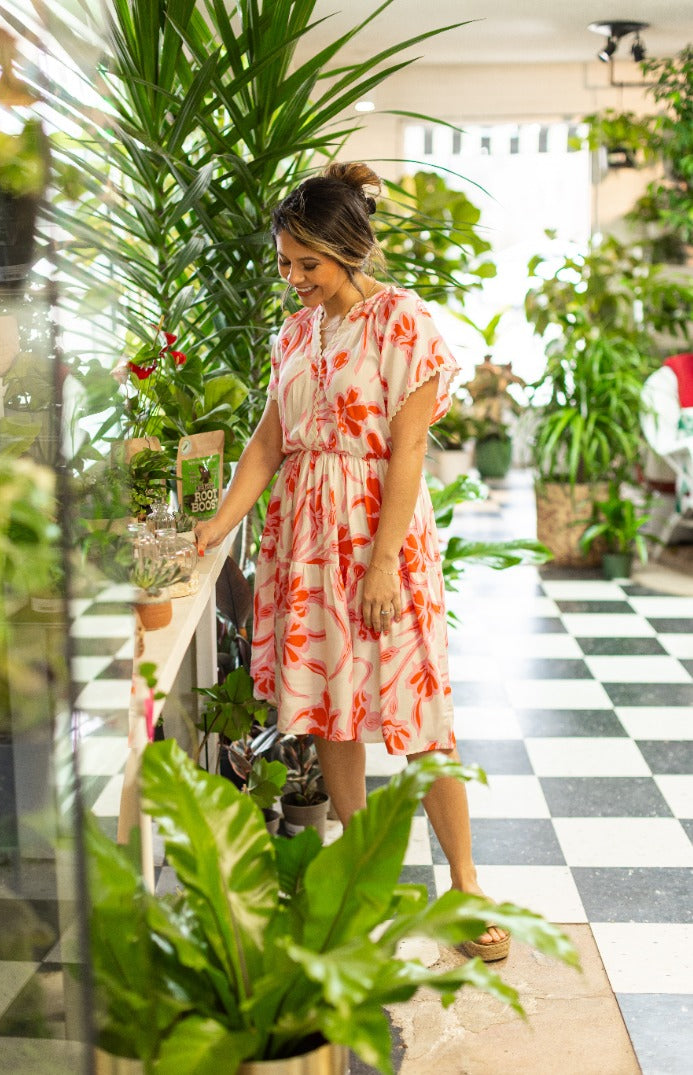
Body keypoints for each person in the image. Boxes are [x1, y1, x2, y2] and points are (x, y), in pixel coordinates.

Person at [194, 161, 509, 961]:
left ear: (349, 250)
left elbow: (407, 451)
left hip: (379, 532)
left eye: (308, 263)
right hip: (304, 535)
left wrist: (379, 565)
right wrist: (216, 525)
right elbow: (268, 443)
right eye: (285, 264)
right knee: (332, 709)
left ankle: (466, 884)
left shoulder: (402, 322)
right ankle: (363, 879)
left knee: (422, 712)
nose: (294, 279)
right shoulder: (294, 333)